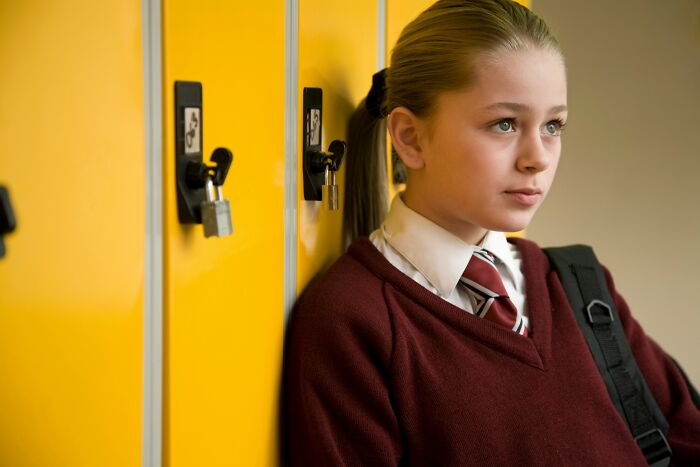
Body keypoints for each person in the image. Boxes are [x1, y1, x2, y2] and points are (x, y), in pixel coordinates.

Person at [283, 0, 700, 465]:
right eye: (504, 124)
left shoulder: (580, 284)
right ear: (410, 138)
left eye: (553, 125)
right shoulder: (353, 321)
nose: (537, 157)